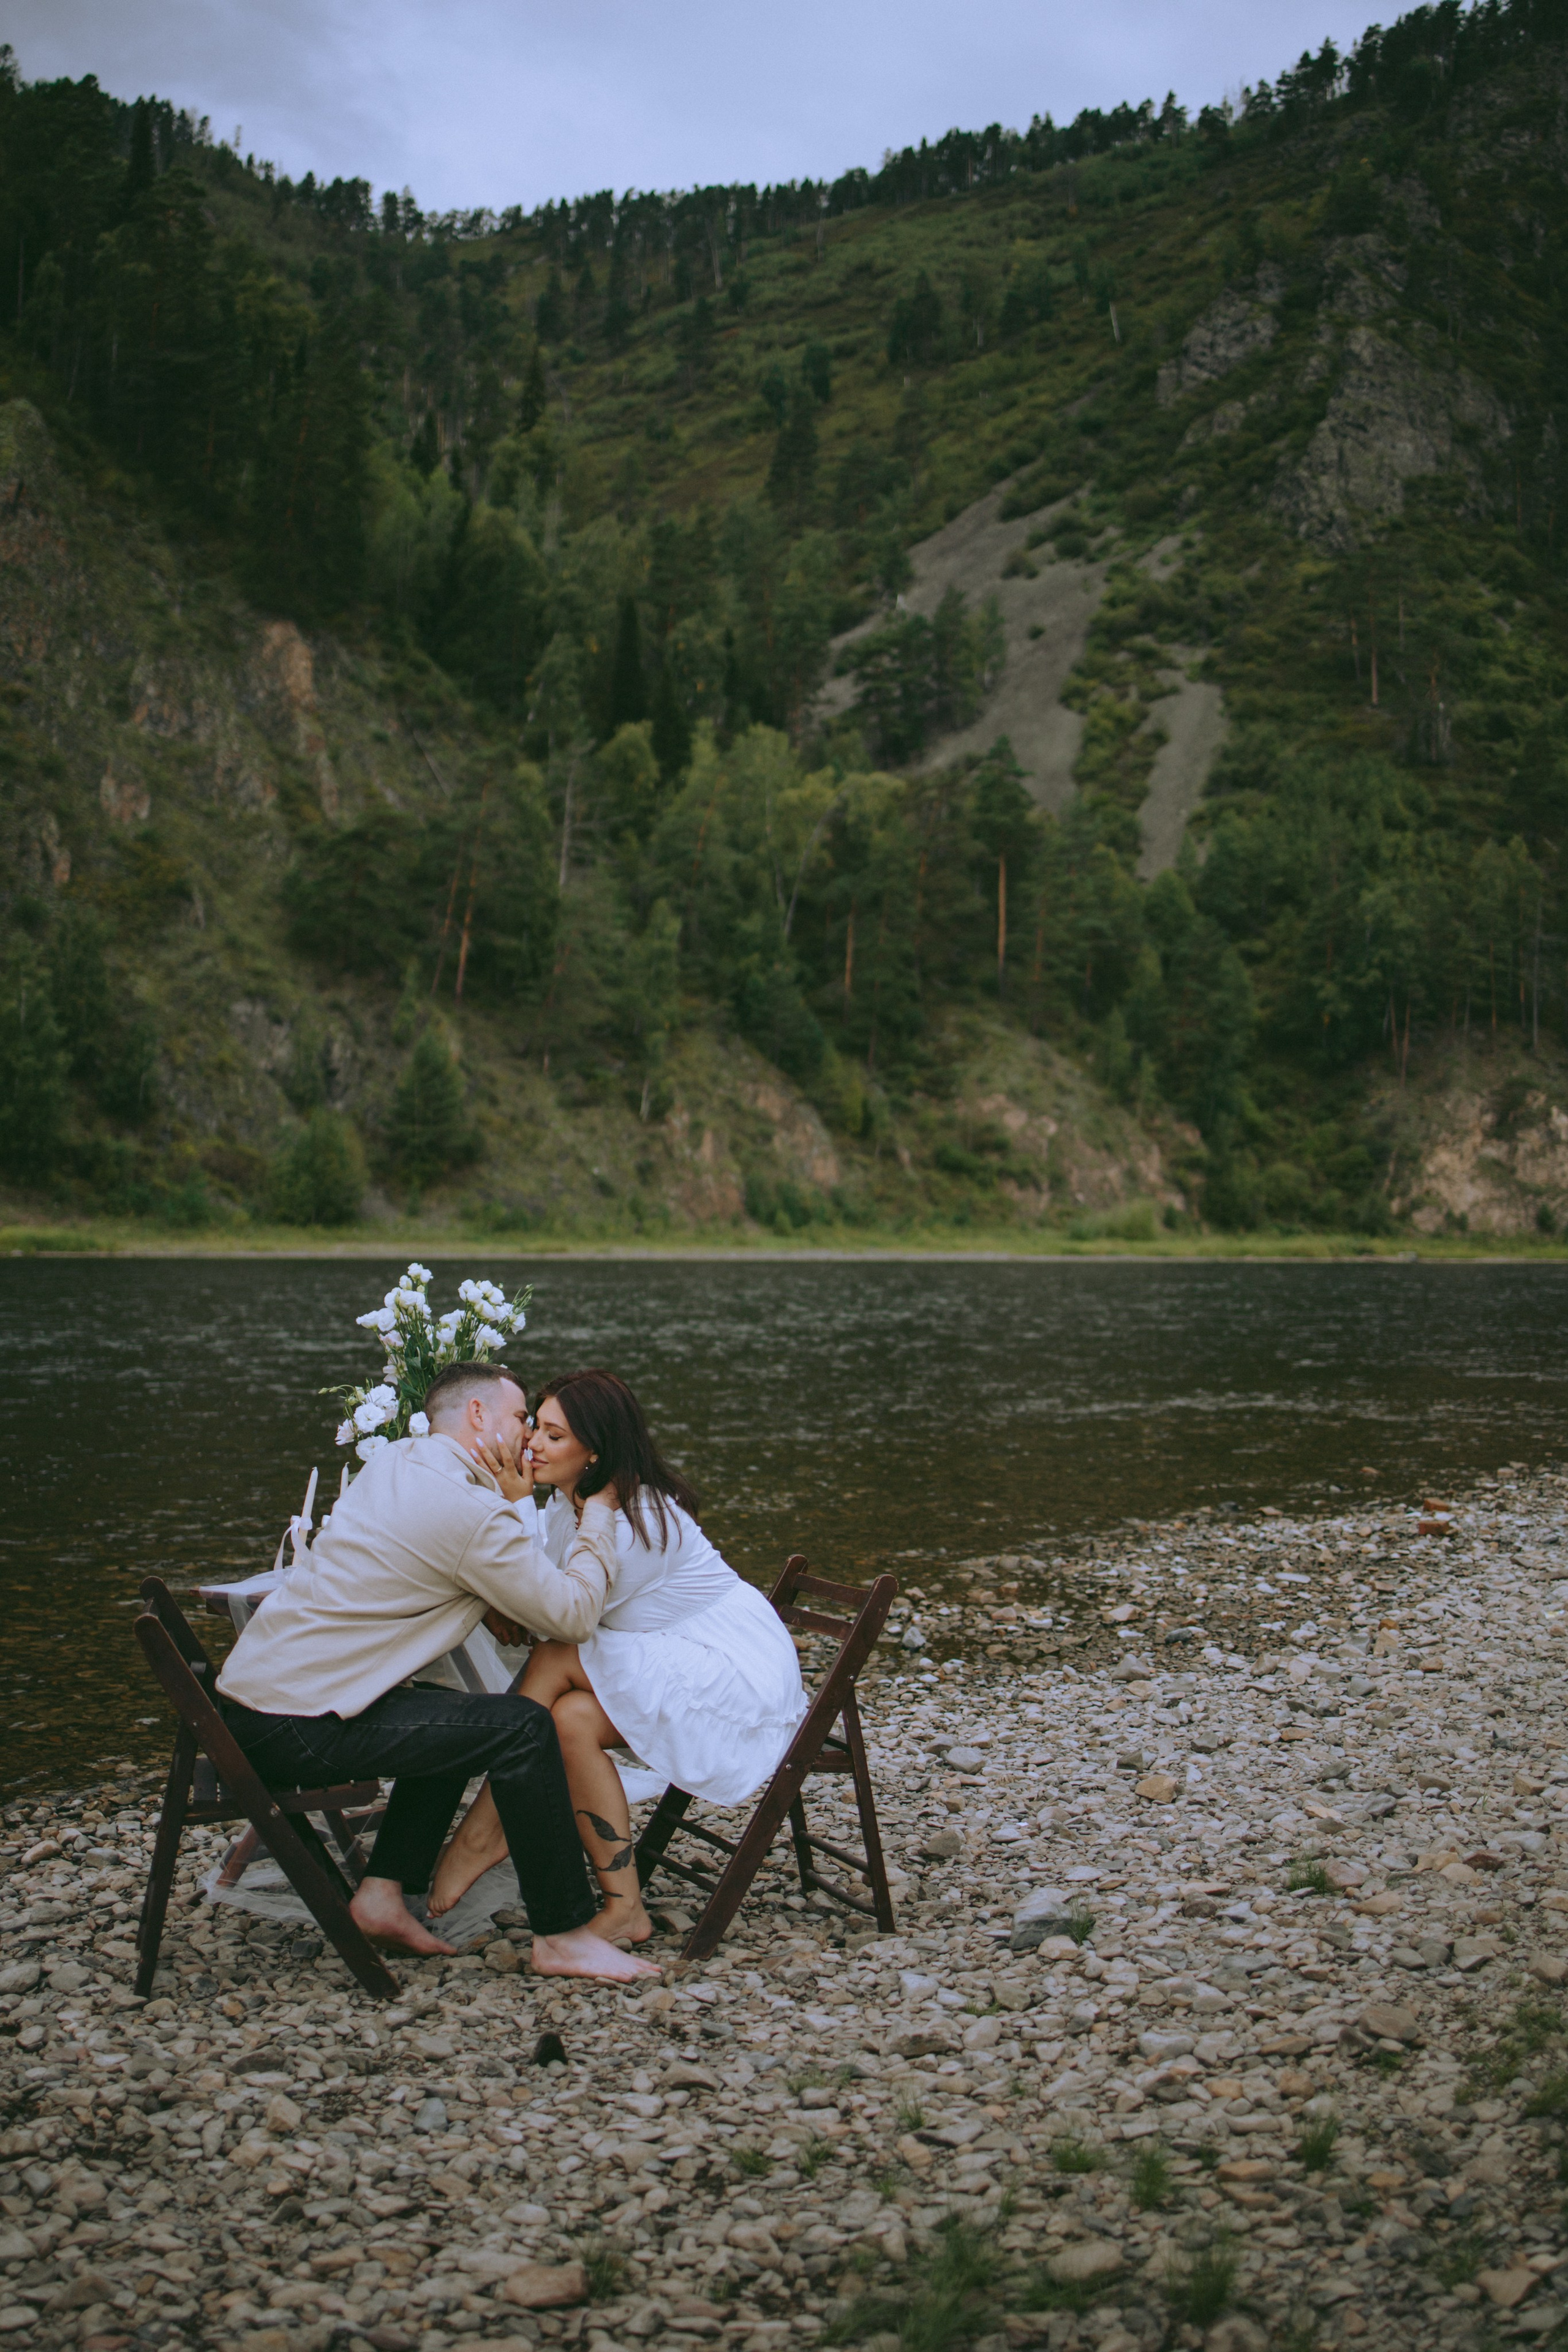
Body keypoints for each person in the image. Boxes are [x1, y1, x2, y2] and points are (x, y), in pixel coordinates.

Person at [215, 1359, 658, 1983]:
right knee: (523, 1726)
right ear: (478, 1415)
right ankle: (563, 1935)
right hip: (297, 1727)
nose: (528, 1436)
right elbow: (574, 1614)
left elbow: (432, 1566)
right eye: (518, 1418)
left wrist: (499, 1568)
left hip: (252, 1713)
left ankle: (381, 1895)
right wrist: (598, 1514)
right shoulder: (470, 1510)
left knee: (457, 1714)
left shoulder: (398, 1460)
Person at [429, 1368, 809, 1945]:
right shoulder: (570, 1505)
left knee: (558, 1654)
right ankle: (625, 1906)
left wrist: (512, 1512)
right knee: (567, 1720)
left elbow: (552, 1620)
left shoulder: (638, 1521)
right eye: (535, 1427)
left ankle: (480, 1832)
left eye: (555, 1438)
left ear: (594, 1453)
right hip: (665, 1657)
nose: (531, 1444)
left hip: (733, 1674)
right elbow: (529, 1584)